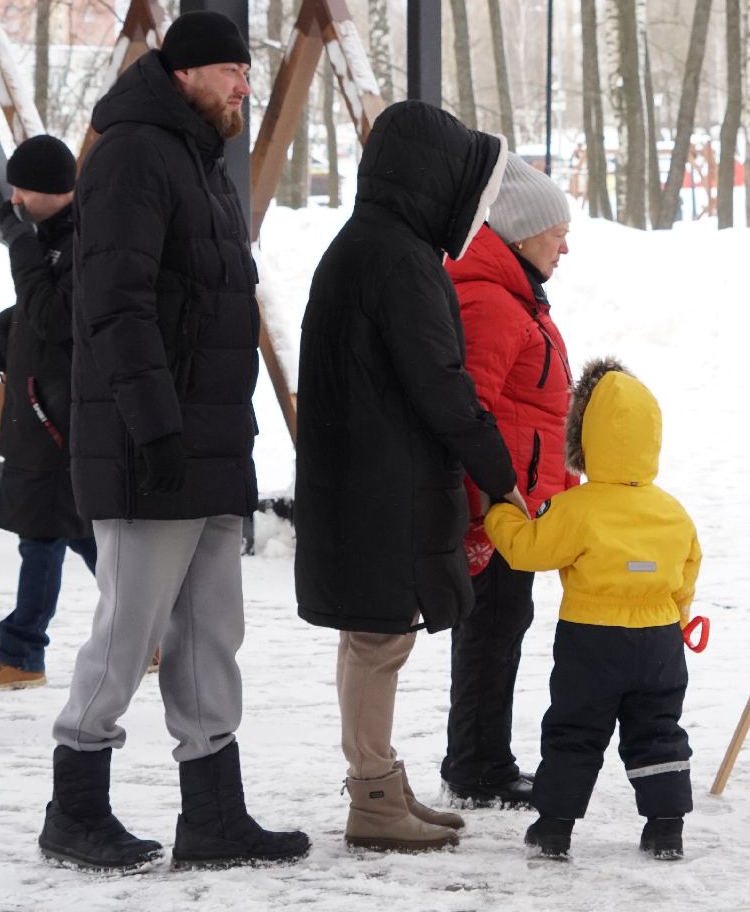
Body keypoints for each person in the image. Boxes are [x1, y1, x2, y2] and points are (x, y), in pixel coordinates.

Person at [41, 10, 307, 871]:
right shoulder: (132, 155)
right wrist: (154, 428)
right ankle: (74, 809)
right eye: (233, 71)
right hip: (148, 445)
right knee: (128, 632)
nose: (244, 87)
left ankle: (213, 816)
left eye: (247, 72)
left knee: (210, 634)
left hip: (212, 441)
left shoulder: (201, 160)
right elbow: (115, 307)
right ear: (186, 72)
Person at [295, 100, 526, 853]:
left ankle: (382, 784)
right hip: (382, 486)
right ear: (434, 177)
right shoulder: (400, 260)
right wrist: (499, 475)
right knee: (378, 642)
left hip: (360, 480)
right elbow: (443, 385)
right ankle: (373, 797)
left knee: (371, 637)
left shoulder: (365, 246)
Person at [485, 358, 702, 862]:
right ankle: (666, 827)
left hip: (591, 641)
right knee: (658, 730)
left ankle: (554, 826)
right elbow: (687, 571)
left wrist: (499, 514)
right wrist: (677, 616)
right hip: (659, 641)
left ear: (586, 439)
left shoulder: (577, 507)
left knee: (575, 729)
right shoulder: (673, 511)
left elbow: (528, 551)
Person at [440, 153, 577, 808]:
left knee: (499, 628)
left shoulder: (512, 296)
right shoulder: (493, 303)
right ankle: (477, 766)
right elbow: (474, 413)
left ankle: (482, 758)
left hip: (516, 505)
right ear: (522, 235)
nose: (564, 248)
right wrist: (488, 508)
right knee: (491, 632)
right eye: (557, 234)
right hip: (498, 511)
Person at [0, 135, 95, 692]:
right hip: (43, 409)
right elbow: (39, 308)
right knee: (73, 531)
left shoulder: (84, 238)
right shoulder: (53, 235)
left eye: (23, 190)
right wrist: (5, 330)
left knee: (43, 532)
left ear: (53, 191)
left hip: (57, 415)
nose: (13, 199)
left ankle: (21, 652)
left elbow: (57, 317)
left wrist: (19, 244)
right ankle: (154, 627)